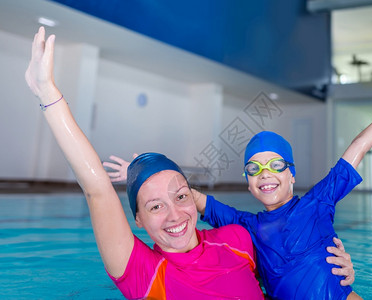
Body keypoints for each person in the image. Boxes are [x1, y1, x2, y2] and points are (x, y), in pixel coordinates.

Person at [104, 75, 372, 299]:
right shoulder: (246, 228)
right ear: (248, 183)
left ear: (291, 174)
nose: (265, 174)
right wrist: (144, 172)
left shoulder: (317, 202)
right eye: (254, 168)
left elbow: (356, 149)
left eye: (276, 165)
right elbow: (193, 200)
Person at [25, 26, 267, 300]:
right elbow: (97, 190)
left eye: (180, 197)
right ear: (138, 220)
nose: (174, 215)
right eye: (155, 206)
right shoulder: (145, 274)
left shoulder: (237, 240)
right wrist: (47, 93)